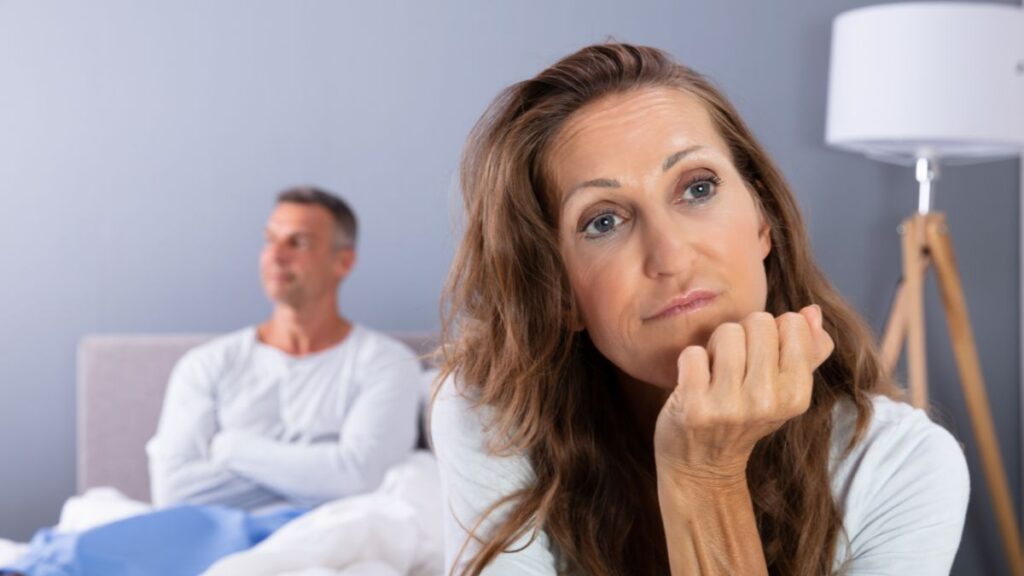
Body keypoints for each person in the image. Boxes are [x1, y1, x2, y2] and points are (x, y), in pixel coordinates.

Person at [430, 43, 969, 575]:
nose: (672, 256)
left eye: (698, 188)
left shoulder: (903, 468)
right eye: (603, 221)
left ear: (763, 221)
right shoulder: (488, 411)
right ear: (558, 292)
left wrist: (705, 474)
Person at [147, 186, 422, 510]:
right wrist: (318, 473)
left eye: (298, 242)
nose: (276, 256)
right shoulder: (206, 365)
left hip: (331, 542)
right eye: (270, 240)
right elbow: (173, 491)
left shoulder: (388, 363)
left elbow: (360, 479)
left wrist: (231, 448)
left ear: (343, 262)